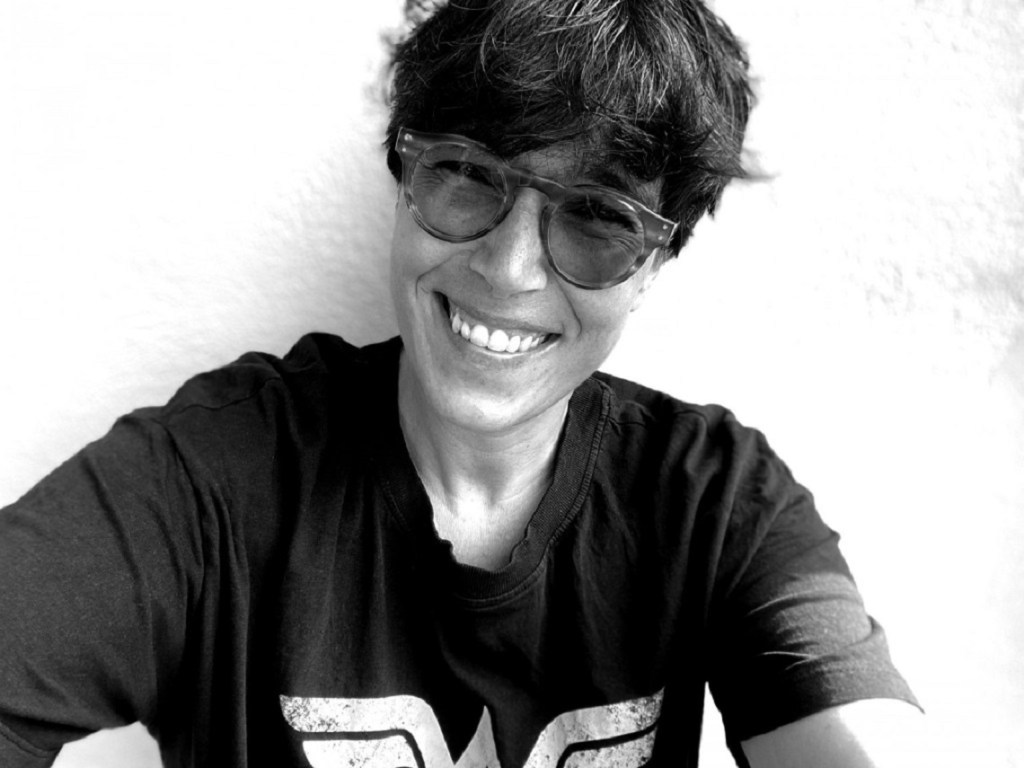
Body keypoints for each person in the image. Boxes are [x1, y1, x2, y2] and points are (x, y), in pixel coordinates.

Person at [0, 1, 925, 766]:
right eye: (469, 175)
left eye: (597, 218)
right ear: (405, 177)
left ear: (653, 264)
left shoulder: (713, 502)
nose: (509, 269)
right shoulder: (211, 479)